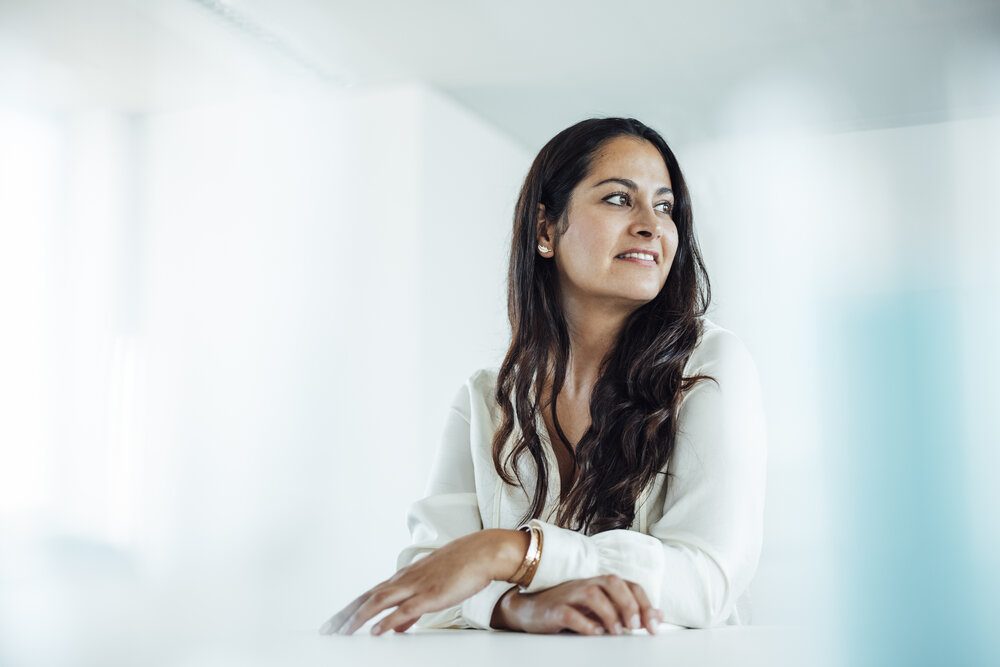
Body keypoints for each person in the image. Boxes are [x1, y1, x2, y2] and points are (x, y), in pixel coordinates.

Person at [320, 117, 767, 637]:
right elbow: (429, 585)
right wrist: (518, 608)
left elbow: (706, 581)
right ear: (545, 230)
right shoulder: (485, 399)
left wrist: (507, 552)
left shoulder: (711, 365)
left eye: (665, 206)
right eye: (619, 199)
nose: (651, 224)